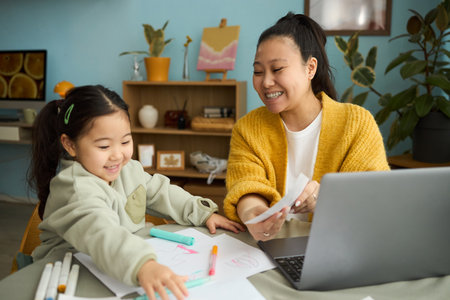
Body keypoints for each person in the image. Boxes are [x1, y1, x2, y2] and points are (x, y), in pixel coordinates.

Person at [28, 85, 244, 300]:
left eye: (125, 141)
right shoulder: (74, 187)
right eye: (103, 147)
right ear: (70, 145)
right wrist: (143, 265)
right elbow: (101, 232)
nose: (118, 155)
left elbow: (161, 192)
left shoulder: (127, 168)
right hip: (67, 272)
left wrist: (202, 212)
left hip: (119, 264)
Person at [223, 12, 389, 242]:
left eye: (277, 69)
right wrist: (253, 213)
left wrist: (325, 200)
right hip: (268, 247)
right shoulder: (248, 128)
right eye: (258, 71)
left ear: (310, 68)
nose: (266, 82)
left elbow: (375, 196)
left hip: (340, 244)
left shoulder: (357, 123)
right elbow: (246, 185)